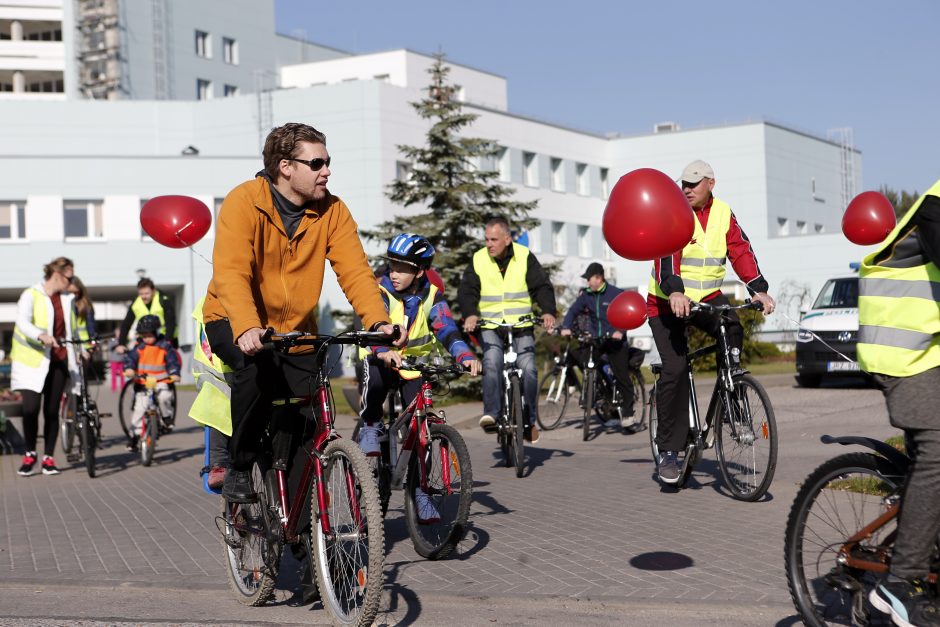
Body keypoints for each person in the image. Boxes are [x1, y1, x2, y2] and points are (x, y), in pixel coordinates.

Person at [202, 121, 402, 503]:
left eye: (328, 162)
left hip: (295, 330)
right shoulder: (245, 201)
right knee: (255, 374)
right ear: (285, 166)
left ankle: (305, 539)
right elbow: (232, 271)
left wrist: (378, 321)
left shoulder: (332, 211)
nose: (326, 170)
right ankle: (240, 466)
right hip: (232, 317)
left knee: (305, 430)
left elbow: (356, 271)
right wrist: (246, 326)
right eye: (317, 163)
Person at [647, 160, 775, 485]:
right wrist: (675, 293)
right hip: (666, 301)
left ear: (711, 183)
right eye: (684, 184)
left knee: (732, 327)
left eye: (694, 183)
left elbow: (740, 251)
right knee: (675, 370)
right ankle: (668, 452)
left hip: (706, 298)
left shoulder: (723, 214)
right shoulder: (673, 213)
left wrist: (758, 290)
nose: (687, 189)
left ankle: (733, 399)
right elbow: (666, 260)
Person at [357, 234, 481, 522]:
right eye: (391, 266)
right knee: (374, 380)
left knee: (422, 432)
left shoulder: (432, 296)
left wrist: (465, 356)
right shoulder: (379, 292)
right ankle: (370, 426)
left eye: (402, 268)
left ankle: (422, 494)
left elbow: (447, 330)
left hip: (414, 366)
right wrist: (383, 351)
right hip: (381, 359)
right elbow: (369, 327)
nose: (394, 273)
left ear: (419, 271)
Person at [860, 180, 940, 627]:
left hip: (930, 349)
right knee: (938, 451)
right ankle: (901, 580)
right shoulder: (936, 207)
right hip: (902, 353)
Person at [458, 216, 557, 443]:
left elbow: (541, 286)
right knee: (492, 362)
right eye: (486, 239)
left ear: (507, 238)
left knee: (529, 369)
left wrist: (548, 311)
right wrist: (471, 313)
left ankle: (529, 421)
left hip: (520, 325)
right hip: (491, 325)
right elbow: (467, 290)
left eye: (494, 239)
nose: (489, 244)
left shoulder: (524, 256)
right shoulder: (479, 259)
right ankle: (492, 414)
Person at [11, 257, 80, 476]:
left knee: (51, 412)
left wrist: (81, 351)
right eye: (68, 277)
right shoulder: (30, 294)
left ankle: (48, 458)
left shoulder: (67, 299)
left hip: (58, 360)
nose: (71, 282)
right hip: (32, 362)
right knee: (30, 410)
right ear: (57, 275)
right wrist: (40, 335)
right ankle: (30, 454)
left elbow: (72, 329)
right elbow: (22, 321)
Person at [560, 262, 639, 430]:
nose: (588, 283)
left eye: (590, 279)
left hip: (615, 341)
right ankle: (594, 391)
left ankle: (628, 414)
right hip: (597, 340)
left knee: (621, 376)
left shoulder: (616, 294)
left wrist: (620, 331)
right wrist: (566, 326)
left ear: (599, 278)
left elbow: (627, 313)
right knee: (577, 356)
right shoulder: (586, 295)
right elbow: (573, 311)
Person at [122, 314, 181, 451]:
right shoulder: (139, 347)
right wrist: (129, 368)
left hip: (161, 381)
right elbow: (130, 359)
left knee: (165, 396)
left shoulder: (165, 347)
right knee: (139, 410)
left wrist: (174, 374)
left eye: (149, 335)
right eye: (144, 336)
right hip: (143, 383)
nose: (146, 338)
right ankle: (134, 436)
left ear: (156, 332)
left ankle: (166, 418)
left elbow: (172, 362)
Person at [117, 278, 177, 350]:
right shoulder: (135, 304)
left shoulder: (163, 300)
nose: (144, 297)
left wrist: (167, 341)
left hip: (165, 339)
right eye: (141, 294)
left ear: (153, 291)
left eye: (147, 293)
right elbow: (126, 324)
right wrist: (121, 344)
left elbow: (170, 322)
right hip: (145, 341)